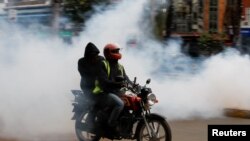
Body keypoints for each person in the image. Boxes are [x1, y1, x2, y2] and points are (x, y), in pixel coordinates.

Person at [93, 43, 132, 132]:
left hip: (115, 92)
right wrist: (118, 84)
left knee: (131, 101)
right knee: (120, 104)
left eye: (118, 51)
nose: (118, 53)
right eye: (115, 51)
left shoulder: (120, 66)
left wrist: (135, 85)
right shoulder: (103, 64)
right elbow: (104, 82)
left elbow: (126, 78)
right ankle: (111, 123)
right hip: (103, 93)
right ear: (108, 53)